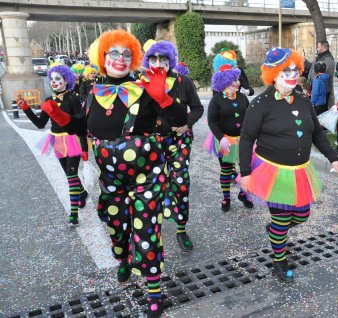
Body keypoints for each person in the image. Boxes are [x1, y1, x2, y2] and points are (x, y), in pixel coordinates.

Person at [40, 29, 179, 317]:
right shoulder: (93, 93)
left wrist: (163, 99)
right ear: (102, 58)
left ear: (134, 58)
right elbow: (83, 127)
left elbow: (178, 120)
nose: (120, 58)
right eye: (113, 53)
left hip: (147, 177)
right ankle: (124, 260)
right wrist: (60, 117)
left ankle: (154, 289)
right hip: (111, 178)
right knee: (117, 228)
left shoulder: (144, 88)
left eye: (126, 53)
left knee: (148, 231)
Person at [239, 47, 338, 282]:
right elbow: (246, 139)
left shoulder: (303, 100)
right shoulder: (260, 103)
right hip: (272, 171)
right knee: (282, 218)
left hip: (300, 171)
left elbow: (317, 132)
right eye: (286, 70)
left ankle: (276, 232)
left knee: (302, 215)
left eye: (295, 69)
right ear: (274, 74)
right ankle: (279, 261)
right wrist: (245, 172)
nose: (293, 74)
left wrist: (333, 157)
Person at [142, 40, 204, 252]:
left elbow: (197, 108)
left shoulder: (183, 81)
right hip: (152, 142)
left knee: (181, 183)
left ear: (171, 60)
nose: (159, 63)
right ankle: (151, 227)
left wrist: (187, 124)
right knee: (152, 186)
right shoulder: (141, 83)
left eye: (163, 59)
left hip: (179, 141)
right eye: (154, 59)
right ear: (147, 61)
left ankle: (181, 228)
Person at [16, 64, 88, 226]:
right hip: (56, 141)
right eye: (52, 79)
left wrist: (84, 148)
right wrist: (26, 109)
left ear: (66, 80)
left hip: (72, 140)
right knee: (71, 176)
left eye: (58, 79)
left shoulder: (73, 98)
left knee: (71, 177)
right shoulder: (48, 101)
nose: (54, 82)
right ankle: (82, 194)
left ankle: (73, 214)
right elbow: (41, 124)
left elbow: (81, 125)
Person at [206, 52, 253, 212]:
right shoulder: (216, 100)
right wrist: (220, 138)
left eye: (237, 80)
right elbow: (212, 121)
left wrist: (254, 136)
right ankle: (226, 198)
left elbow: (249, 119)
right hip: (225, 140)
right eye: (235, 80)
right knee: (226, 171)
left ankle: (243, 194)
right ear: (225, 81)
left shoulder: (242, 98)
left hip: (243, 141)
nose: (238, 83)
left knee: (247, 169)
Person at [307, 41, 335, 108]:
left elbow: (325, 75)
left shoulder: (328, 59)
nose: (317, 48)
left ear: (323, 47)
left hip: (321, 91)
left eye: (318, 47)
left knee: (320, 111)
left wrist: (315, 81)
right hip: (316, 88)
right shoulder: (321, 57)